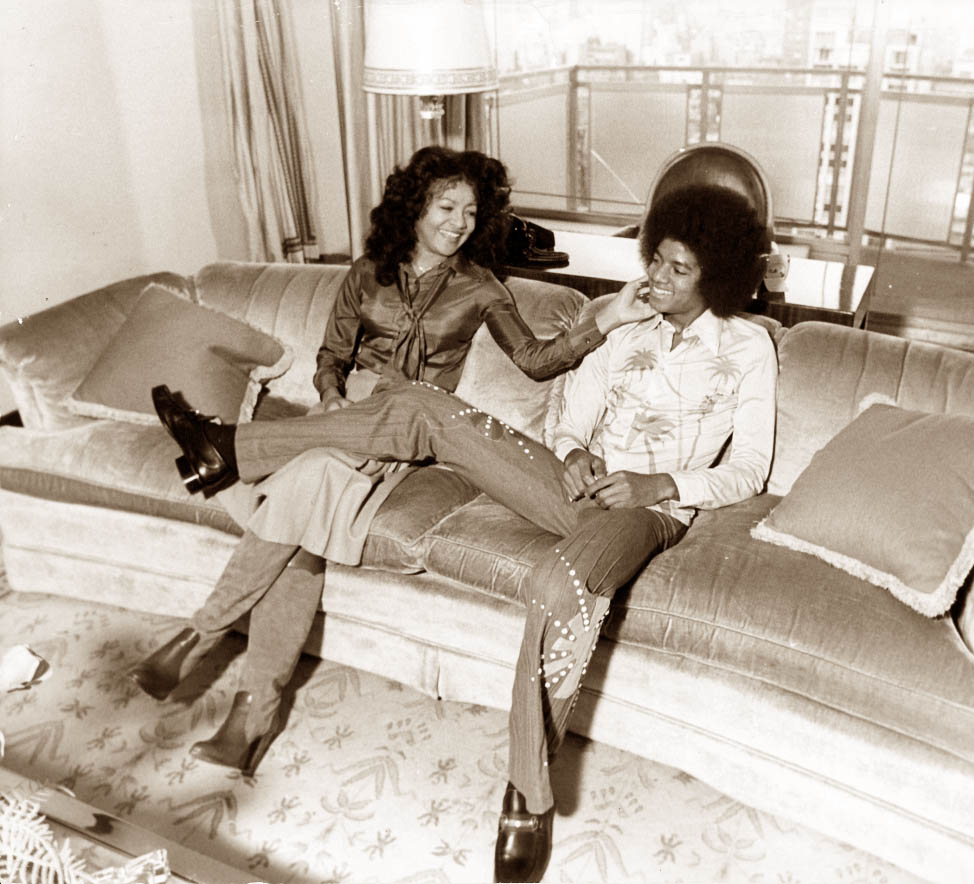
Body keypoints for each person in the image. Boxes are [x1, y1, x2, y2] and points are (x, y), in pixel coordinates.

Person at [152, 182, 776, 883]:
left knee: (556, 580)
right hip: (569, 488)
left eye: (678, 269)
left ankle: (527, 796)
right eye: (655, 259)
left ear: (718, 278)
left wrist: (658, 485)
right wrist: (573, 450)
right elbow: (568, 417)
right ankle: (230, 447)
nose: (656, 277)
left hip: (645, 513)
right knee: (422, 402)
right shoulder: (624, 325)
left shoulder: (749, 347)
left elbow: (750, 469)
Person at [127, 145, 653, 780]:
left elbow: (537, 361)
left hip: (404, 429)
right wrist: (329, 398)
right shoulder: (368, 272)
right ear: (415, 207)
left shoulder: (482, 288)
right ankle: (250, 718)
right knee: (306, 515)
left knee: (322, 475)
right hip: (345, 416)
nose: (459, 223)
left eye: (471, 212)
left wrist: (608, 317)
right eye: (446, 207)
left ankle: (200, 633)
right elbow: (331, 356)